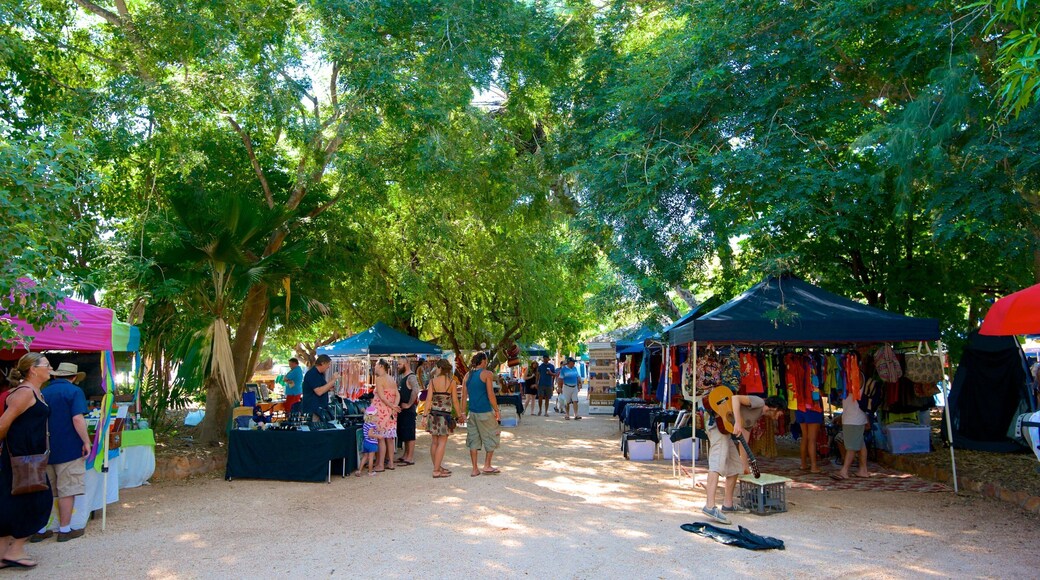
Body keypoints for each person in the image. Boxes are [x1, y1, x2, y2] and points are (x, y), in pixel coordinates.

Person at [0, 353, 55, 570]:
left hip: (29, 458)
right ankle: (16, 550)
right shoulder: (24, 393)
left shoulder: (34, 392)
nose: (50, 368)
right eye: (47, 365)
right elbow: (3, 424)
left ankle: (4, 552)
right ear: (33, 369)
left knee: (9, 500)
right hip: (23, 459)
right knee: (38, 501)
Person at [701, 394, 787, 524]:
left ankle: (728, 504)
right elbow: (735, 398)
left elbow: (743, 439)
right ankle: (709, 506)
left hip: (726, 431)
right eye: (781, 412)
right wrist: (738, 423)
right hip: (717, 425)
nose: (780, 416)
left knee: (736, 466)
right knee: (716, 464)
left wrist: (745, 462)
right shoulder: (759, 402)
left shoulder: (757, 416)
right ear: (775, 408)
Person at [31, 363, 91, 543]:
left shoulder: (41, 392)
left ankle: (40, 529)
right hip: (69, 448)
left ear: (56, 376)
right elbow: (77, 418)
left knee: (45, 490)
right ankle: (64, 529)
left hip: (44, 448)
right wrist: (86, 441)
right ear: (73, 377)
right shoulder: (74, 392)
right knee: (67, 490)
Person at [461, 352, 501, 477]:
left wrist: (462, 412)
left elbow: (463, 396)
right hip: (485, 412)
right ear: (483, 361)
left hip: (472, 413)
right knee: (491, 436)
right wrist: (496, 410)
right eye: (486, 360)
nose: (487, 362)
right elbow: (490, 394)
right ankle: (487, 465)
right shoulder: (487, 374)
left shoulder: (467, 375)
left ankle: (474, 469)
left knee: (473, 440)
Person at [424, 359, 463, 478]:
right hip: (445, 416)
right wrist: (459, 415)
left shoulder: (432, 382)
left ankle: (437, 466)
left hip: (433, 415)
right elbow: (455, 401)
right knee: (442, 443)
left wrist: (424, 416)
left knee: (434, 442)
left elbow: (428, 400)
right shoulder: (451, 383)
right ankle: (436, 470)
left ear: (440, 368)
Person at [833, 392, 871, 480]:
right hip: (853, 418)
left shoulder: (854, 379)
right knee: (860, 444)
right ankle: (863, 470)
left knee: (851, 446)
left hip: (854, 419)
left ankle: (844, 471)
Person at [370, 360, 400, 472]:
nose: (375, 367)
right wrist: (394, 406)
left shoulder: (380, 379)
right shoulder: (391, 379)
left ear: (381, 366)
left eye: (376, 365)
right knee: (390, 439)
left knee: (381, 438)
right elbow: (397, 394)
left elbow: (382, 397)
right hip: (391, 412)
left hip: (381, 411)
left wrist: (392, 406)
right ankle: (391, 463)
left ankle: (381, 464)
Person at [396, 357, 419, 466]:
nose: (398, 366)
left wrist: (409, 404)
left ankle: (410, 457)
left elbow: (416, 390)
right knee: (405, 433)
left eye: (400, 364)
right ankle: (406, 454)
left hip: (409, 410)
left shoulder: (411, 377)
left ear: (406, 364)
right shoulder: (403, 377)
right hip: (403, 410)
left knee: (410, 433)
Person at [300, 354, 337, 420]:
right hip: (313, 410)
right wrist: (333, 380)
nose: (328, 367)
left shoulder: (320, 374)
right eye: (328, 365)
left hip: (320, 409)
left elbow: (320, 388)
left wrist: (328, 388)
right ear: (322, 363)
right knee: (315, 427)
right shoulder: (312, 374)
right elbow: (319, 392)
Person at [356, 408, 380, 477]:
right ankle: (370, 472)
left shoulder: (366, 423)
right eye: (376, 415)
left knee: (365, 457)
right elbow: (370, 434)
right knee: (371, 458)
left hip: (366, 442)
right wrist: (378, 436)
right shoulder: (372, 425)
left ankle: (359, 470)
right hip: (372, 443)